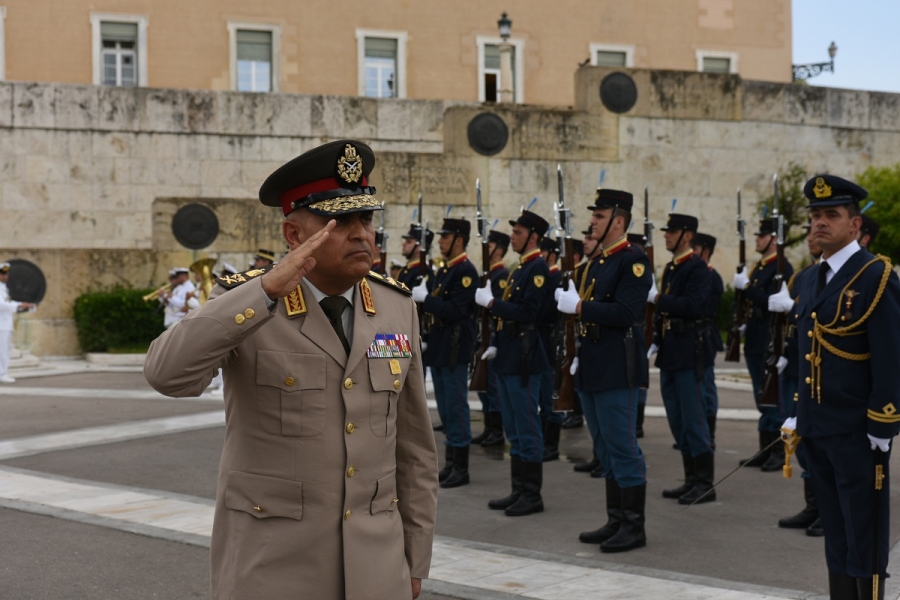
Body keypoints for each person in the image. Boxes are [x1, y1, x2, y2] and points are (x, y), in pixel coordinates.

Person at [144, 139, 438, 600]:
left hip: (378, 568)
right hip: (273, 568)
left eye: (366, 219)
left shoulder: (396, 307)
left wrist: (415, 557)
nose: (362, 233)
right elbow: (166, 375)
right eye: (340, 221)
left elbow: (415, 450)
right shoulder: (249, 305)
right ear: (295, 237)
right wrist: (264, 290)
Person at [776, 174, 900, 599]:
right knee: (834, 531)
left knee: (863, 532)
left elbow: (890, 355)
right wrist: (798, 412)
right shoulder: (811, 279)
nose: (820, 223)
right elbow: (809, 350)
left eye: (832, 214)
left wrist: (883, 423)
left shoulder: (874, 275)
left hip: (857, 431)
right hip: (818, 427)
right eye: (815, 215)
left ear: (854, 224)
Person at [557, 188, 651, 552]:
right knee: (607, 448)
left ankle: (634, 527)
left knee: (624, 447)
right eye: (594, 215)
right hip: (593, 365)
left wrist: (580, 308)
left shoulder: (633, 261)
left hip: (617, 368)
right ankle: (616, 520)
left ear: (619, 221)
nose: (592, 221)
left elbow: (628, 313)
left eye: (599, 216)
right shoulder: (597, 261)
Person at [475, 209, 551, 517]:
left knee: (527, 426)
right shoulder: (519, 269)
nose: (513, 237)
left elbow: (529, 313)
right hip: (508, 354)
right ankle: (519, 490)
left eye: (518, 233)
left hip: (525, 357)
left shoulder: (537, 269)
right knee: (515, 428)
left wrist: (493, 303)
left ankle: (532, 494)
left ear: (533, 236)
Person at [648, 213, 715, 505]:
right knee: (677, 419)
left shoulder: (697, 268)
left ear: (687, 235)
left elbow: (693, 306)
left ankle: (704, 483)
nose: (666, 236)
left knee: (694, 418)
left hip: (690, 351)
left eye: (672, 231)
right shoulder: (673, 268)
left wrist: (657, 299)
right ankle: (690, 479)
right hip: (672, 351)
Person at [411, 218, 478, 489]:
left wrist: (428, 300)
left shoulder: (465, 271)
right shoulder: (444, 270)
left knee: (456, 406)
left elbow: (457, 311)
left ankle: (460, 466)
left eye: (445, 237)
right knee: (446, 409)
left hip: (454, 348)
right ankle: (451, 463)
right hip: (440, 346)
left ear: (459, 240)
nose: (440, 241)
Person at [773, 226, 824, 537]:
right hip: (797, 366)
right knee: (802, 441)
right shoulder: (804, 277)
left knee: (820, 445)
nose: (810, 237)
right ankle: (813, 505)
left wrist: (792, 308)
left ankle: (827, 509)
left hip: (820, 373)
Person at [733, 217, 794, 471]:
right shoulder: (761, 267)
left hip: (770, 339)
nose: (757, 239)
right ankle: (765, 449)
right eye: (757, 235)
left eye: (762, 235)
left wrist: (747, 287)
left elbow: (772, 303)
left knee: (773, 397)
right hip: (756, 337)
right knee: (762, 397)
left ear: (774, 239)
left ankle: (778, 452)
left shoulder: (782, 269)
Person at [471, 230, 510, 448]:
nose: (486, 249)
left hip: (492, 338)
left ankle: (496, 431)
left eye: (490, 245)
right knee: (484, 385)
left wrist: (493, 341)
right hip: (482, 336)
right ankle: (489, 428)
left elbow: (497, 311)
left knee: (493, 387)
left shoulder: (501, 276)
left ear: (499, 250)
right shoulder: (487, 275)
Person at [691, 233, 723, 450]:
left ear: (705, 250)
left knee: (706, 390)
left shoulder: (711, 276)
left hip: (705, 337)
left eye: (695, 248)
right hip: (693, 338)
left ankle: (708, 434)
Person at [538, 235, 566, 461]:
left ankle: (551, 444)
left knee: (551, 394)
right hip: (542, 340)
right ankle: (544, 440)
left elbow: (548, 312)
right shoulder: (547, 276)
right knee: (543, 393)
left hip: (551, 340)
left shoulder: (556, 278)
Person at [627, 232, 651, 439]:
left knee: (638, 378)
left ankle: (638, 423)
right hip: (632, 328)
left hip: (638, 329)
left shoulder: (639, 267)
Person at [0, 263, 35, 384]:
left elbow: (7, 303)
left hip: (5, 323)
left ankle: (3, 372)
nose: (5, 276)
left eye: (6, 274)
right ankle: (2, 374)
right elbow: (2, 305)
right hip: (1, 324)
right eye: (2, 274)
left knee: (5, 350)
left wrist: (21, 305)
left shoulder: (4, 288)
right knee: (3, 350)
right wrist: (19, 305)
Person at [397, 224, 435, 290]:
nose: (403, 244)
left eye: (408, 242)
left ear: (419, 247)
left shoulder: (425, 271)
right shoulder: (404, 270)